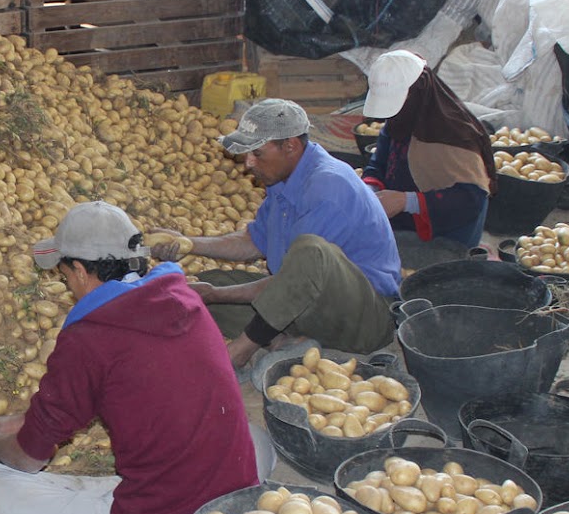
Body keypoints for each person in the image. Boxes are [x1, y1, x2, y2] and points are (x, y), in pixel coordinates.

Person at [0, 201, 268, 514]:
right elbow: (127, 385)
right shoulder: (183, 296)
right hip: (232, 508)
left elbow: (29, 459)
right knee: (257, 442)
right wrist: (30, 419)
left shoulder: (90, 338)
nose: (67, 285)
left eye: (64, 275)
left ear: (79, 271)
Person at [151, 98, 401, 370]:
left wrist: (215, 294)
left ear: (290, 145)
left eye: (257, 153)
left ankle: (242, 350)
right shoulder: (284, 178)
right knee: (202, 289)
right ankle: (288, 341)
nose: (248, 163)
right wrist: (187, 243)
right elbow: (251, 242)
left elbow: (297, 277)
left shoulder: (328, 186)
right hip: (308, 303)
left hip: (364, 318)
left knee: (308, 251)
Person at [360, 49, 499, 248]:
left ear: (418, 92)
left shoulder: (454, 137)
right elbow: (378, 163)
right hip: (401, 219)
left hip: (447, 234)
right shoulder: (400, 123)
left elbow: (471, 201)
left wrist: (406, 201)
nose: (389, 117)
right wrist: (370, 190)